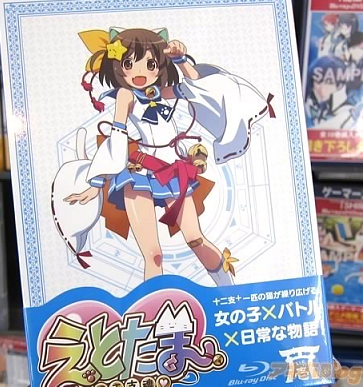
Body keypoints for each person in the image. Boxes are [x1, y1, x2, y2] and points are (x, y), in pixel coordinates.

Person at [61, 27, 275, 285]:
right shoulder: (126, 95)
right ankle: (153, 306)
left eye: (150, 64)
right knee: (153, 254)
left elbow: (199, 87)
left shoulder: (164, 92)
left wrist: (181, 60)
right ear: (118, 67)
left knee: (196, 239)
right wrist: (97, 182)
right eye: (129, 64)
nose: (140, 72)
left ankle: (229, 293)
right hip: (139, 175)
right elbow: (117, 134)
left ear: (159, 65)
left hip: (173, 173)